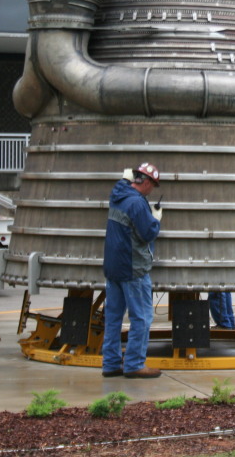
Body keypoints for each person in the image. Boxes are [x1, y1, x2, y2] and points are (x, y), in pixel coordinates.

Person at [102, 162, 163, 378]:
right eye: (152, 185)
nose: (151, 190)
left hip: (112, 266)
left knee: (113, 317)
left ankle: (110, 364)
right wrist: (155, 218)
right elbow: (148, 233)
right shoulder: (137, 203)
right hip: (132, 267)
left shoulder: (117, 194)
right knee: (142, 317)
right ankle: (135, 364)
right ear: (145, 182)